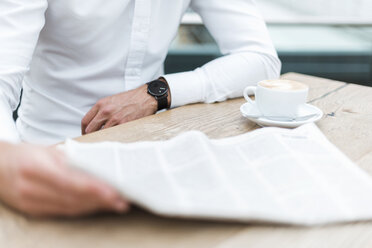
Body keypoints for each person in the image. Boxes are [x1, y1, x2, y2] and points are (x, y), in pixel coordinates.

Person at [0, 0, 281, 216]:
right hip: (50, 160)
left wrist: (158, 92)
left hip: (153, 159)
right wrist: (8, 157)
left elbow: (261, 59)